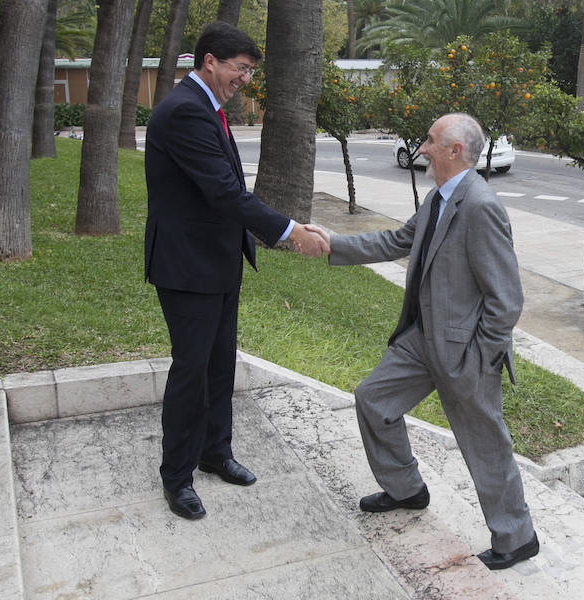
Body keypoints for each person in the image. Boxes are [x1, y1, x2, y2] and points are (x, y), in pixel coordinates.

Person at [317, 113, 539, 570]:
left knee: (485, 445)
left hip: (465, 352)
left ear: (455, 151)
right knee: (373, 400)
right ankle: (406, 489)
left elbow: (507, 298)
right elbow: (397, 240)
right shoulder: (440, 197)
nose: (422, 148)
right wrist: (331, 244)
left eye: (431, 141)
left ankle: (517, 538)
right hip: (422, 340)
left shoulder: (480, 206)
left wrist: (481, 355)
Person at [144, 20, 328, 520]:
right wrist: (289, 230)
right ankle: (177, 477)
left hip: (218, 262)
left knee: (220, 364)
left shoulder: (207, 108)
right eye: (240, 69)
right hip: (187, 268)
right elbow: (225, 193)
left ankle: (214, 452)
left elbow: (224, 189)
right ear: (210, 62)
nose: (245, 79)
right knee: (191, 372)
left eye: (248, 70)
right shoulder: (185, 111)